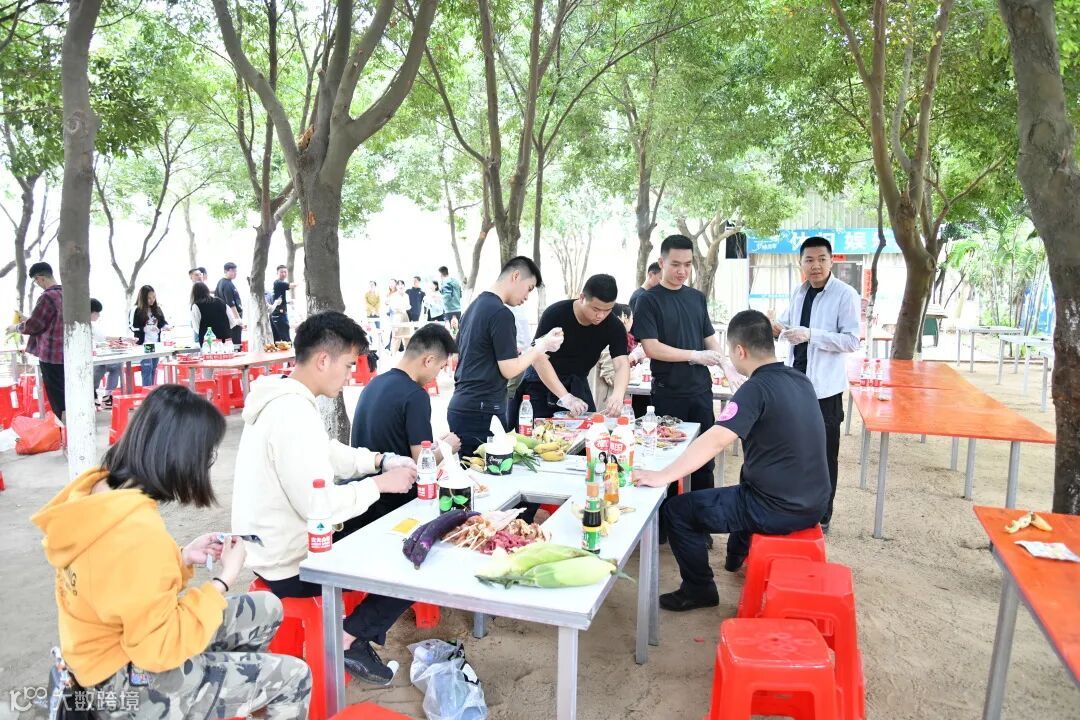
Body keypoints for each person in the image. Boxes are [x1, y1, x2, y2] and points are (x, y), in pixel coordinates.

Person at [31, 385, 312, 718]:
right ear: (182, 457)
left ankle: (220, 695)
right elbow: (158, 649)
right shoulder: (138, 532)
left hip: (95, 656)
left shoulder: (98, 490)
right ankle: (201, 697)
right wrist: (223, 580)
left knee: (265, 608)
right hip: (123, 681)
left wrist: (181, 557)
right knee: (294, 678)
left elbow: (116, 579)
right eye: (206, 455)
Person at [232, 311, 418, 686]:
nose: (349, 375)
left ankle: (352, 632)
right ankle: (349, 637)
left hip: (270, 548)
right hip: (292, 564)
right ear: (322, 360)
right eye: (348, 365)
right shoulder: (292, 413)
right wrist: (381, 484)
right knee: (413, 558)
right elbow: (319, 508)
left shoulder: (283, 398)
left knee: (386, 525)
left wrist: (380, 461)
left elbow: (327, 451)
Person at [635, 310, 831, 611]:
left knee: (678, 510)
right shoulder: (799, 379)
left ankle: (698, 589)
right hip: (815, 501)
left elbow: (716, 439)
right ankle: (736, 555)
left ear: (740, 351)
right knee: (747, 475)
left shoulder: (755, 389)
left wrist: (663, 475)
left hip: (776, 507)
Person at [771, 236, 861, 532]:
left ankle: (823, 514)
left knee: (824, 455)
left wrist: (812, 335)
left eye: (822, 259)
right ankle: (797, 506)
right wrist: (775, 327)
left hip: (825, 391)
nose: (816, 265)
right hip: (795, 385)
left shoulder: (845, 294)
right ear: (801, 263)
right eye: (809, 260)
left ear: (832, 261)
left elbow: (852, 340)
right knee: (795, 449)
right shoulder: (799, 292)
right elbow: (786, 326)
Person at [633, 234, 726, 493]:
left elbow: (709, 338)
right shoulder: (648, 300)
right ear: (661, 263)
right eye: (675, 264)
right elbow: (651, 348)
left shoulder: (696, 297)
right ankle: (670, 516)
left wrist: (727, 366)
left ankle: (702, 514)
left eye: (687, 264)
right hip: (669, 393)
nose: (682, 271)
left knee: (704, 461)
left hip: (701, 391)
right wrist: (694, 355)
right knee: (669, 460)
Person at [448, 256, 564, 457]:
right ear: (516, 276)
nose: (527, 297)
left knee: (470, 470)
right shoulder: (501, 313)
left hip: (462, 404)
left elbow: (467, 354)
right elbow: (509, 369)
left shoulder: (474, 307)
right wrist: (542, 346)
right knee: (487, 471)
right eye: (529, 288)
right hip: (482, 409)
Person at [349, 324, 461, 528]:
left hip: (366, 499)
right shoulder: (416, 395)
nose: (437, 375)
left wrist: (436, 446)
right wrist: (448, 448)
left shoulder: (374, 384)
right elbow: (421, 463)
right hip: (397, 503)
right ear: (429, 360)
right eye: (440, 367)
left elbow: (390, 438)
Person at [510, 274, 630, 422]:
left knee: (589, 429)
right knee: (540, 431)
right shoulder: (556, 313)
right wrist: (565, 397)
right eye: (596, 309)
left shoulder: (614, 326)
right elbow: (539, 359)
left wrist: (618, 394)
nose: (600, 315)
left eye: (607, 310)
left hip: (577, 382)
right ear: (582, 298)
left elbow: (621, 363)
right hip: (542, 381)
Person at [7, 263, 65, 417]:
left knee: (58, 398)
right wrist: (27, 319)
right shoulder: (65, 293)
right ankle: (70, 425)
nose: (37, 284)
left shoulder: (47, 297)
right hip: (66, 354)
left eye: (35, 281)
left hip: (51, 356)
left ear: (40, 278)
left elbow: (34, 326)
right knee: (67, 393)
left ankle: (64, 427)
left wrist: (15, 327)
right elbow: (48, 321)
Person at [591, 303, 647, 414]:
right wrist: (631, 373)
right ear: (624, 317)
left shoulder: (606, 336)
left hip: (606, 401)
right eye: (632, 318)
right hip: (607, 404)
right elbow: (612, 376)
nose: (632, 322)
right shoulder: (608, 340)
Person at [131, 285, 169, 387]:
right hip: (145, 343)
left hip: (156, 343)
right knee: (147, 368)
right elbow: (132, 326)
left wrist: (165, 327)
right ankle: (147, 393)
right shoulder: (136, 310)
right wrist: (144, 329)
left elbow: (162, 322)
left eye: (154, 297)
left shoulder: (157, 309)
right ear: (143, 298)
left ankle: (151, 391)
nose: (152, 300)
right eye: (149, 298)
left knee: (153, 368)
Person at [90, 298, 122, 409]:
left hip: (98, 357)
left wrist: (121, 339)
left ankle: (107, 397)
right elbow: (101, 341)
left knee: (116, 365)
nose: (98, 315)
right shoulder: (85, 326)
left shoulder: (93, 326)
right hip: (91, 360)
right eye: (97, 313)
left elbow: (103, 338)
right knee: (101, 367)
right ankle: (94, 395)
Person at [191, 281, 232, 346]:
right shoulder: (220, 301)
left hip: (208, 342)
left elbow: (196, 327)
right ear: (207, 290)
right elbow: (231, 321)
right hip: (225, 340)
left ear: (194, 293)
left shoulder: (196, 306)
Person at [215, 262, 244, 344]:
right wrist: (238, 319)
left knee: (231, 340)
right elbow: (231, 304)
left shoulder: (221, 282)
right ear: (225, 271)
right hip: (233, 316)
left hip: (227, 317)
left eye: (235, 271)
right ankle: (237, 350)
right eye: (232, 271)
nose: (235, 273)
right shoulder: (227, 284)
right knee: (236, 340)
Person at [270, 265, 294, 343]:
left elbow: (277, 298)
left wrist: (288, 302)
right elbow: (291, 285)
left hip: (276, 314)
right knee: (286, 339)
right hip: (279, 315)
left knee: (277, 340)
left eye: (285, 272)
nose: (283, 274)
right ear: (277, 273)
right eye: (281, 272)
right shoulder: (279, 283)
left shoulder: (278, 284)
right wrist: (302, 281)